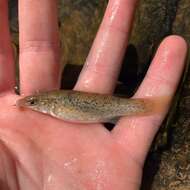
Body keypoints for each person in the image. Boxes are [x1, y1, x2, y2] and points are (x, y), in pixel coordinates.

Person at [0, 1, 187, 189]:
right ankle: (151, 107)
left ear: (48, 102)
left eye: (33, 102)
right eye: (32, 102)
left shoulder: (54, 106)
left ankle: (152, 106)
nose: (29, 104)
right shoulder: (49, 106)